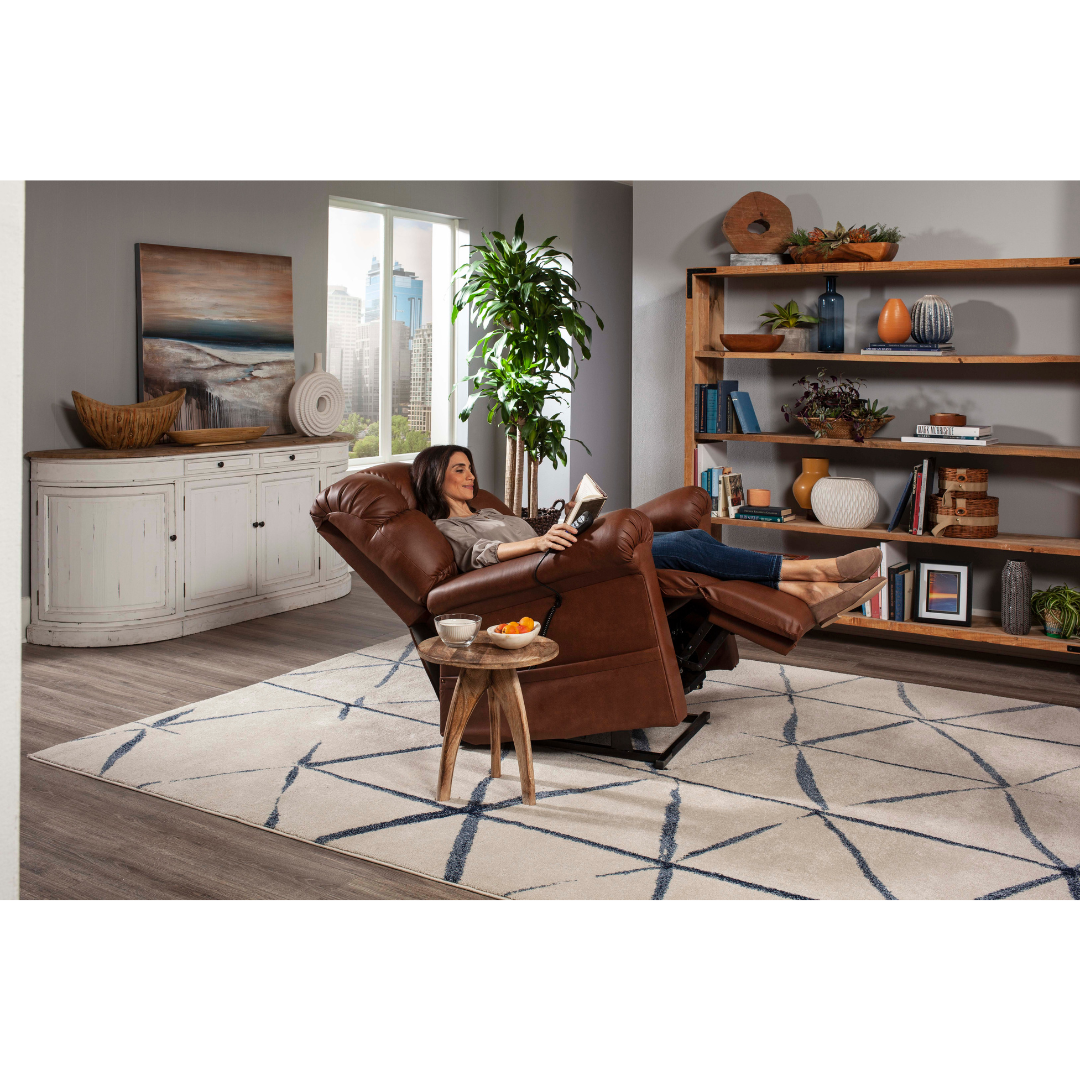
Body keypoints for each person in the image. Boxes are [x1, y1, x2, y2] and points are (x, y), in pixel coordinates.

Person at [410, 444, 887, 627]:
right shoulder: (446, 527)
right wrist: (536, 543)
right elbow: (481, 556)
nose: (471, 477)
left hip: (566, 550)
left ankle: (811, 589)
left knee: (691, 545)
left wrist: (570, 516)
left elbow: (531, 529)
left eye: (471, 468)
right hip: (551, 572)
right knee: (681, 546)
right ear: (435, 479)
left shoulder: (489, 506)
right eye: (459, 470)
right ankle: (814, 570)